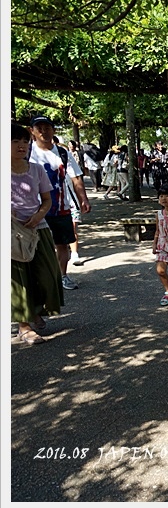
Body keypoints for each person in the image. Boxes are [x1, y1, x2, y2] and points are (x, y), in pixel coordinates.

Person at [11, 123, 63, 345]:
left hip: (38, 227)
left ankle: (35, 310)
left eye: (25, 141)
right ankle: (23, 327)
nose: (22, 146)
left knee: (48, 275)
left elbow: (47, 199)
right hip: (12, 231)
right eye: (15, 141)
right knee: (17, 280)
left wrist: (38, 215)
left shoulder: (36, 169)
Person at [28, 115, 92, 291]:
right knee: (34, 244)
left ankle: (61, 276)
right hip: (33, 208)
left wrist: (83, 199)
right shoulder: (27, 152)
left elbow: (76, 177)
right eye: (39, 127)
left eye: (47, 127)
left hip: (60, 207)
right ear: (32, 131)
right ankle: (37, 279)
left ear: (53, 130)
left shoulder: (63, 153)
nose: (43, 131)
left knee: (62, 244)